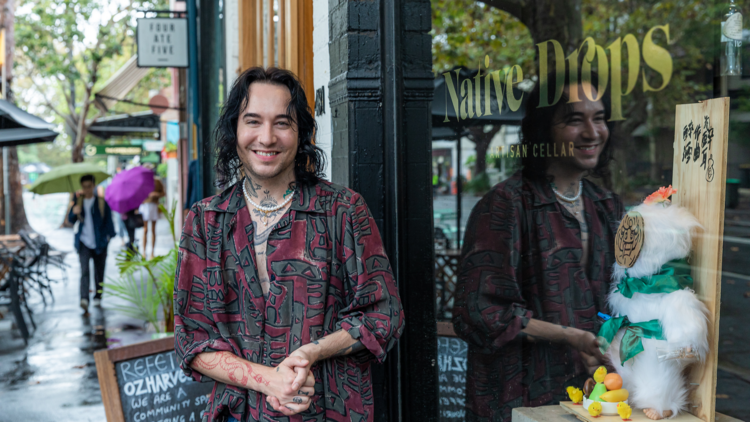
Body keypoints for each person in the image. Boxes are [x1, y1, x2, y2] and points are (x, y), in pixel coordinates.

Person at [174, 67, 404, 422]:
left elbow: (383, 315)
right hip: (240, 413)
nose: (266, 137)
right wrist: (269, 381)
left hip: (330, 410)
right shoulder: (206, 221)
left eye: (282, 123)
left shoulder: (342, 210)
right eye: (253, 121)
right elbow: (192, 339)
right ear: (234, 129)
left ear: (302, 133)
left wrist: (313, 352)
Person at [452, 70, 625, 421]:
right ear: (544, 127)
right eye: (575, 120)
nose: (592, 132)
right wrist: (571, 336)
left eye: (599, 118)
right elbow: (480, 312)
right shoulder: (506, 205)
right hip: (522, 396)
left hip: (596, 396)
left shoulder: (607, 205)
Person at [68, 174, 116, 312]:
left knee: (99, 271)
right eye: (84, 187)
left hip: (100, 243)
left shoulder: (101, 203)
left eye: (89, 186)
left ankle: (98, 296)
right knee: (84, 271)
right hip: (83, 242)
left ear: (93, 186)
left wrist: (108, 238)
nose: (87, 189)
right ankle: (84, 299)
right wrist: (74, 212)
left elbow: (109, 224)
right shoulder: (79, 202)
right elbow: (71, 220)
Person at [139, 175, 165, 258]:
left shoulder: (156, 181)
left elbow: (163, 193)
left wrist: (156, 194)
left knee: (153, 230)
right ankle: (144, 252)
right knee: (145, 230)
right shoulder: (141, 182)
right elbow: (138, 195)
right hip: (145, 206)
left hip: (154, 206)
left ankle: (152, 253)